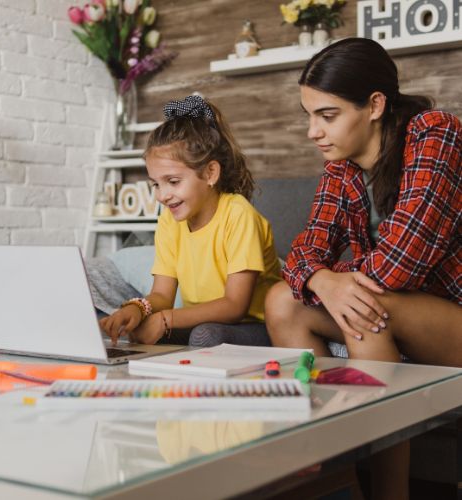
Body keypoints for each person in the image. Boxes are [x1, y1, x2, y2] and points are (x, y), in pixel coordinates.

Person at [265, 38, 461, 500]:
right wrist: (321, 279)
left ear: (374, 105)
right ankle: (333, 475)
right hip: (391, 306)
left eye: (327, 116)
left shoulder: (436, 134)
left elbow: (401, 260)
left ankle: (390, 493)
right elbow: (302, 252)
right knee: (281, 300)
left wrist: (337, 284)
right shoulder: (341, 169)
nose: (313, 131)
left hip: (453, 316)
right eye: (308, 115)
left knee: (364, 304)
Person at [100, 95, 281, 348]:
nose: (162, 195)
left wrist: (166, 319)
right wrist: (137, 309)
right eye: (155, 184)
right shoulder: (169, 220)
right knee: (133, 328)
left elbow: (234, 306)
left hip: (253, 325)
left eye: (173, 182)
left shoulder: (239, 215)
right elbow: (163, 294)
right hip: (199, 322)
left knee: (205, 335)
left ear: (210, 173)